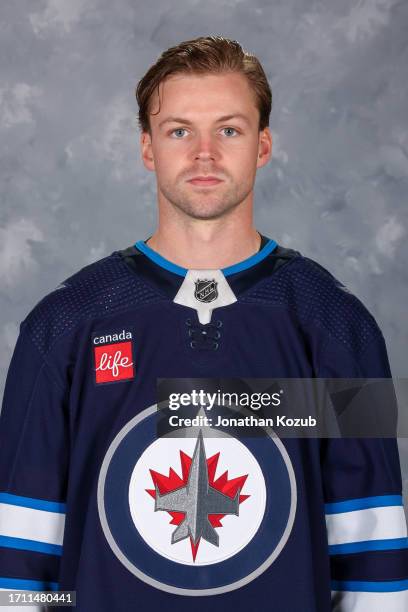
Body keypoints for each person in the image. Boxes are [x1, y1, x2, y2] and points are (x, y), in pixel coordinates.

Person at [0, 36, 407, 612]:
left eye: (230, 129)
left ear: (262, 145)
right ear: (148, 147)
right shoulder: (61, 325)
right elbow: (20, 559)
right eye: (180, 130)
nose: (205, 153)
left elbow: (373, 550)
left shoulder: (342, 326)